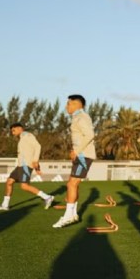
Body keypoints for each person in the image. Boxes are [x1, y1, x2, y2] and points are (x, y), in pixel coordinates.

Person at [52, 95, 97, 228]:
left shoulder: (82, 117)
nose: (66, 107)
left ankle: (68, 216)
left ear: (77, 104)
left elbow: (90, 135)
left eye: (69, 104)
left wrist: (77, 151)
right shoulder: (78, 117)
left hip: (83, 155)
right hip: (81, 155)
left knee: (71, 184)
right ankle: (72, 214)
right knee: (73, 184)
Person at [0, 123, 53, 211]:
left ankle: (47, 197)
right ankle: (5, 205)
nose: (13, 133)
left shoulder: (28, 135)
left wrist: (35, 160)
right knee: (9, 182)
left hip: (26, 165)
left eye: (13, 130)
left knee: (24, 186)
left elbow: (37, 146)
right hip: (20, 165)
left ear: (19, 128)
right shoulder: (22, 138)